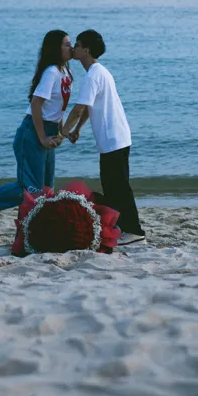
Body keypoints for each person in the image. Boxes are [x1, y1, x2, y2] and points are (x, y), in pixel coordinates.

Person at [0, 30, 73, 224]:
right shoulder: (51, 72)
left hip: (49, 130)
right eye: (67, 44)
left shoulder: (65, 72)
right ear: (56, 48)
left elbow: (57, 107)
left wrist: (62, 132)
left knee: (45, 190)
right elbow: (36, 104)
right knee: (31, 189)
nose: (71, 47)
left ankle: (35, 229)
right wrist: (42, 138)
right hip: (33, 132)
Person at [60, 30, 146, 244]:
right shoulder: (99, 71)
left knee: (118, 188)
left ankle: (134, 231)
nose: (74, 48)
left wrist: (61, 134)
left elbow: (78, 109)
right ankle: (123, 228)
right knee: (114, 186)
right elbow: (89, 108)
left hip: (113, 138)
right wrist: (78, 129)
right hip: (117, 137)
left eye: (77, 45)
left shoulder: (92, 76)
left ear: (86, 50)